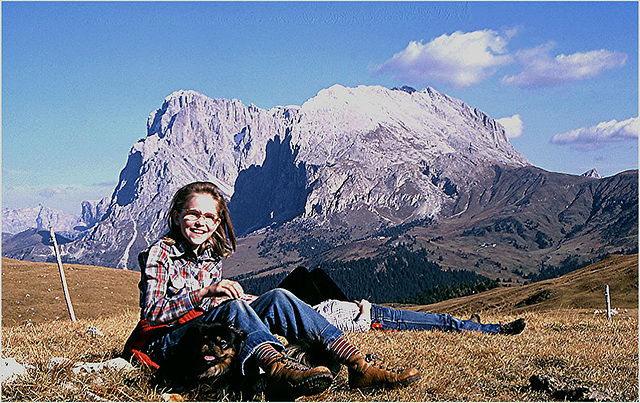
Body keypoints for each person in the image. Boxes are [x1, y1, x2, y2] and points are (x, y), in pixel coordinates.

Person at [123, 181, 420, 399]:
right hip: (165, 344)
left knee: (279, 297)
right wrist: (205, 293)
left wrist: (241, 300)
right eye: (193, 214)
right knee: (235, 310)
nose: (201, 222)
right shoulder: (160, 253)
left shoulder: (210, 255)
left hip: (204, 333)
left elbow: (212, 313)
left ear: (218, 223)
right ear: (177, 216)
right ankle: (278, 369)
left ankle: (357, 364)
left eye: (210, 217)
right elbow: (154, 313)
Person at [278, 266, 526, 335]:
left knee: (310, 273)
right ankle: (494, 329)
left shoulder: (310, 308)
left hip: (371, 311)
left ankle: (470, 324)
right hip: (378, 318)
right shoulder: (316, 322)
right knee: (441, 321)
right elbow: (360, 327)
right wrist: (363, 307)